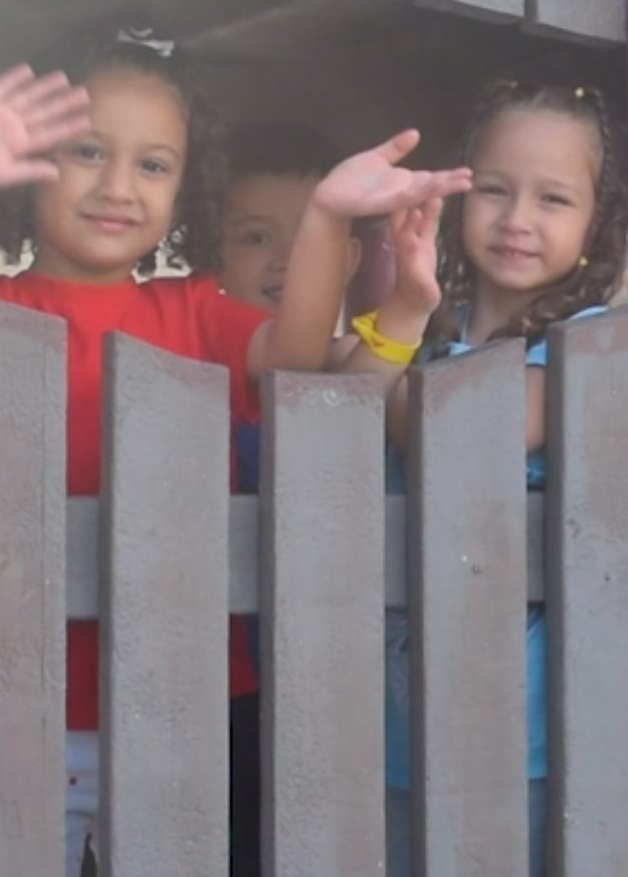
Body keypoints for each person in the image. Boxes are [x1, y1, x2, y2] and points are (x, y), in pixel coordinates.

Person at [0, 28, 469, 876]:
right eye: (88, 152)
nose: (118, 187)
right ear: (30, 157)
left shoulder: (193, 313)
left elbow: (297, 359)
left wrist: (328, 218)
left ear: (186, 189)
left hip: (179, 702)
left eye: (154, 165)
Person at [336, 80, 628, 877]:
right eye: (495, 189)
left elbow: (450, 431)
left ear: (597, 221)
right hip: (400, 708)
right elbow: (341, 413)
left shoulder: (587, 342)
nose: (517, 218)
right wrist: (406, 309)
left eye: (553, 198)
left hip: (521, 717)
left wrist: (397, 368)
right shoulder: (433, 328)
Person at [206, 119, 363, 877]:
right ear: (213, 253)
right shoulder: (185, 374)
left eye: (308, 236)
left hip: (335, 680)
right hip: (217, 682)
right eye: (254, 238)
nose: (282, 260)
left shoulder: (362, 372)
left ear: (349, 257)